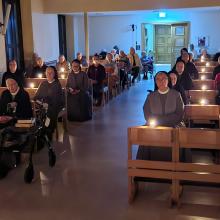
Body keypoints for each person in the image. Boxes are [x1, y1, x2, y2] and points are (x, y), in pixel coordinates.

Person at [137, 72, 185, 161]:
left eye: (164, 78)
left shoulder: (176, 94)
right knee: (146, 134)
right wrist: (158, 122)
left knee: (179, 135)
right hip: (154, 126)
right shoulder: (150, 96)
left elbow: (179, 113)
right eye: (158, 79)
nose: (161, 81)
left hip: (174, 125)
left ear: (168, 80)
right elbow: (147, 113)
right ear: (155, 82)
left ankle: (176, 166)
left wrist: (161, 121)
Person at [34, 66, 64, 139]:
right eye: (47, 73)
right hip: (42, 106)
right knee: (37, 113)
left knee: (48, 115)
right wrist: (40, 103)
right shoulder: (43, 83)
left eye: (51, 73)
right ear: (45, 73)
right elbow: (36, 97)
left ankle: (47, 131)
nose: (49, 74)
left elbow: (57, 100)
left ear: (54, 74)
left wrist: (47, 105)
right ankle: (40, 131)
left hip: (54, 106)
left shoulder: (57, 84)